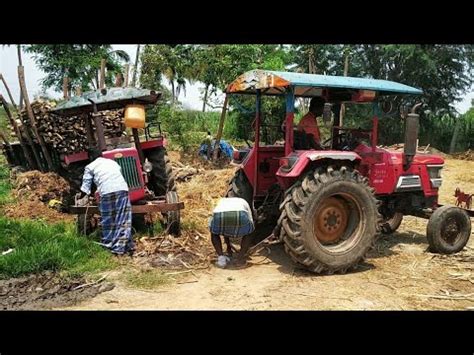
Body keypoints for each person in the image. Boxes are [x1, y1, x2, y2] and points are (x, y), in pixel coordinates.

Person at [76, 149, 134, 255]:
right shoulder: (113, 163)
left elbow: (85, 188)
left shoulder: (90, 166)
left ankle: (114, 247)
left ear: (90, 158)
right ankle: (127, 245)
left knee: (108, 220)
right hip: (122, 190)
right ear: (101, 155)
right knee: (123, 219)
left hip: (106, 192)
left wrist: (80, 197)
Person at [209, 197, 255, 268]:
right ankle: (240, 258)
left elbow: (224, 230)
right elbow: (250, 219)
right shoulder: (243, 201)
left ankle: (221, 259)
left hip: (220, 214)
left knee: (214, 232)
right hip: (240, 213)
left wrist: (228, 248)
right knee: (249, 233)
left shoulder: (221, 201)